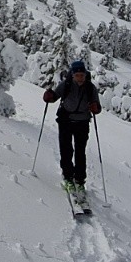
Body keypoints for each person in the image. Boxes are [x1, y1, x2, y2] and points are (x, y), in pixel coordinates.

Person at [43, 59, 100, 193]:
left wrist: (95, 108)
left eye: (82, 75)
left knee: (80, 152)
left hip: (83, 122)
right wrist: (49, 96)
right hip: (66, 120)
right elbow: (54, 97)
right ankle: (68, 177)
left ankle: (80, 180)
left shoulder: (90, 88)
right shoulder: (66, 85)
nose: (80, 78)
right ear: (73, 75)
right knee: (66, 150)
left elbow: (97, 107)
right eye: (77, 75)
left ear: (85, 75)